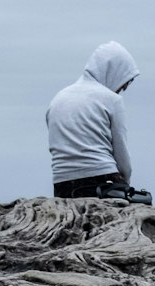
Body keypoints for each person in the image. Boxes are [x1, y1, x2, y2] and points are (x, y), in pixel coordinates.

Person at [46, 41, 139, 198]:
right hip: (102, 182)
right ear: (113, 72)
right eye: (124, 82)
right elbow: (122, 159)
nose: (122, 89)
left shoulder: (57, 99)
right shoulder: (111, 100)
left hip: (61, 184)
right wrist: (125, 184)